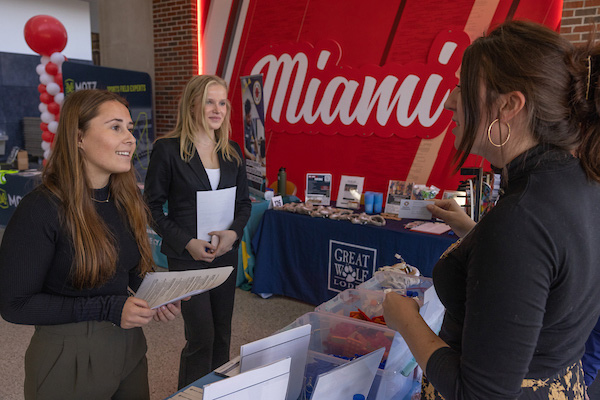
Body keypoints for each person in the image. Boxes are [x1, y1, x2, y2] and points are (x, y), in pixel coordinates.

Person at [382, 20, 600, 399]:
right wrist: (474, 233)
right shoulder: (579, 179)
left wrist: (405, 319)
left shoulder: (523, 216)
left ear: (510, 106)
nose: (450, 101)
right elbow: (546, 276)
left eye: (463, 88)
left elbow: (481, 393)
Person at [0, 89, 182, 400]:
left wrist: (156, 292)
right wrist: (109, 307)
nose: (130, 138)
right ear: (78, 138)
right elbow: (14, 305)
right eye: (115, 127)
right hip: (67, 355)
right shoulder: (41, 208)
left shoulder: (125, 199)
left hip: (129, 346)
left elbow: (129, 269)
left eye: (129, 128)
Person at [144, 74, 251, 388]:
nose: (216, 110)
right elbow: (151, 208)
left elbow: (244, 203)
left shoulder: (232, 151)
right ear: (192, 105)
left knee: (222, 333)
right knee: (201, 336)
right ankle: (189, 395)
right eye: (209, 101)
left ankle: (217, 392)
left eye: (221, 103)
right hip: (187, 258)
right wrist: (186, 242)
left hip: (224, 256)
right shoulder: (168, 150)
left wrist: (234, 234)